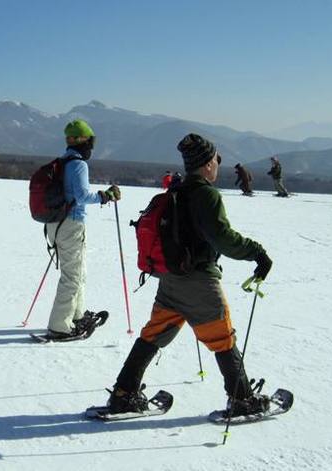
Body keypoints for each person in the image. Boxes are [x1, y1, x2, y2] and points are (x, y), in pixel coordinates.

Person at [105, 133, 273, 418]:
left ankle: (124, 394)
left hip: (170, 278)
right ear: (208, 164)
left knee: (153, 334)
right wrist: (258, 253)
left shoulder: (177, 191)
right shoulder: (206, 194)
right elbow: (223, 239)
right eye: (216, 160)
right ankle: (242, 398)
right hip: (199, 281)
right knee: (223, 339)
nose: (217, 165)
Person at [45, 119, 121, 340]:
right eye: (90, 141)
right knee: (72, 277)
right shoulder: (78, 164)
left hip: (56, 223)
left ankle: (76, 315)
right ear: (83, 140)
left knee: (78, 273)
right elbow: (81, 196)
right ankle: (60, 326)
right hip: (71, 224)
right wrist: (104, 196)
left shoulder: (62, 162)